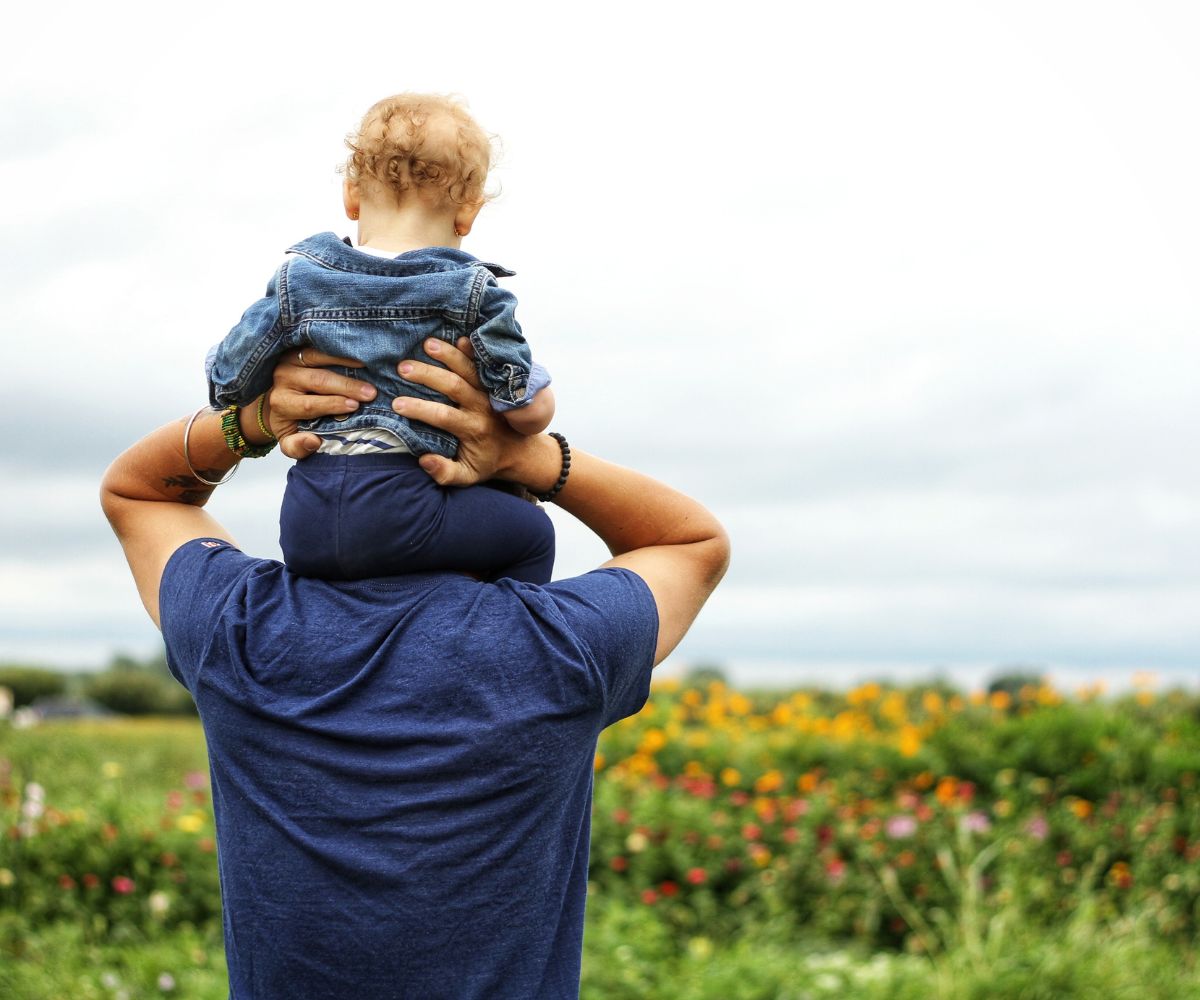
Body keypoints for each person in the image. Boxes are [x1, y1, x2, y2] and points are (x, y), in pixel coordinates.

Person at [100, 339, 730, 999]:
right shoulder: (560, 645)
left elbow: (140, 495)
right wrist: (533, 456)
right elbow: (689, 541)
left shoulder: (242, 629)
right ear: (504, 503)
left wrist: (253, 421)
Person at [206, 93, 556, 583]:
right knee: (532, 533)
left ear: (351, 196)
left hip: (307, 517)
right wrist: (536, 395)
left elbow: (229, 381)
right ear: (468, 214)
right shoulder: (473, 291)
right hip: (410, 506)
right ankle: (507, 638)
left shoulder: (298, 280)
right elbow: (522, 410)